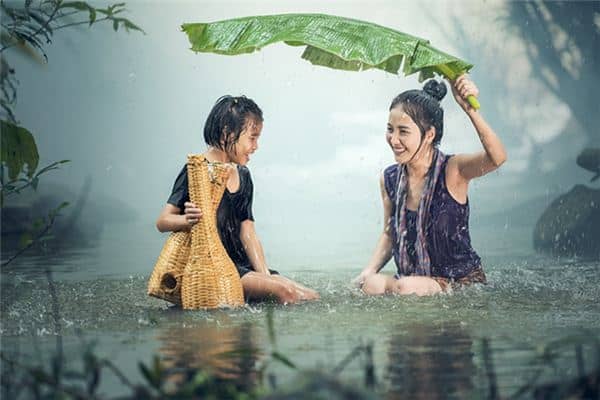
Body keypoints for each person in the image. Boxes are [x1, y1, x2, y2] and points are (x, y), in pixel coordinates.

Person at [156, 95, 319, 304]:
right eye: (252, 137)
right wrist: (186, 221)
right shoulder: (197, 171)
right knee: (285, 292)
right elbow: (162, 221)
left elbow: (248, 232)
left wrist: (265, 275)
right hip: (217, 269)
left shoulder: (243, 175)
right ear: (228, 133)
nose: (256, 146)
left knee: (309, 296)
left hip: (243, 266)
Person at [353, 75, 507, 296]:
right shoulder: (389, 178)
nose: (393, 140)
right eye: (390, 129)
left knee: (406, 287)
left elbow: (497, 158)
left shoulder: (453, 170)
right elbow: (390, 233)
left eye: (403, 131)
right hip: (412, 282)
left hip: (460, 283)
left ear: (429, 135)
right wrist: (368, 271)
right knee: (372, 284)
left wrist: (469, 109)